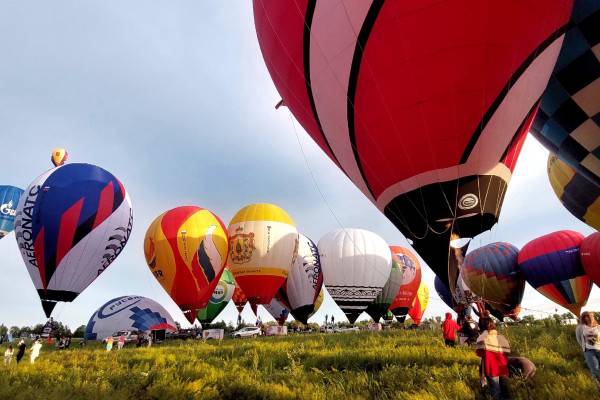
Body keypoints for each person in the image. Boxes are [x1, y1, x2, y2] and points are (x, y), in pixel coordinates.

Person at [476, 319, 511, 400]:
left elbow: (479, 353)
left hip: (491, 367)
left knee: (495, 391)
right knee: (505, 390)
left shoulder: (482, 337)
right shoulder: (501, 337)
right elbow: (508, 352)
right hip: (503, 367)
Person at [576, 311, 600, 389]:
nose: (586, 318)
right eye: (584, 317)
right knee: (595, 369)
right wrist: (584, 347)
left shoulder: (598, 327)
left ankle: (597, 386)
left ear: (592, 317)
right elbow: (579, 338)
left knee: (596, 370)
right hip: (589, 351)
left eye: (587, 316)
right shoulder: (580, 327)